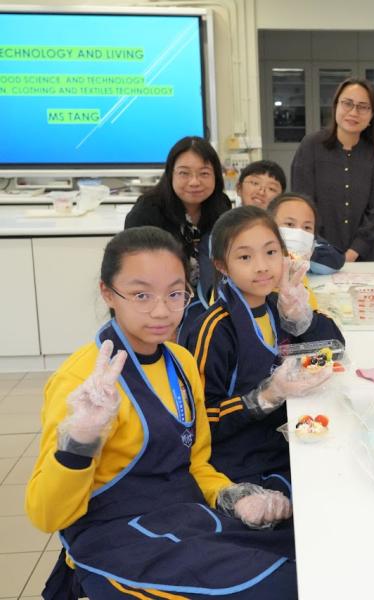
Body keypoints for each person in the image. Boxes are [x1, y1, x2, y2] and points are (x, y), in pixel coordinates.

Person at [26, 226, 297, 599]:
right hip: (118, 541)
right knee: (281, 587)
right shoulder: (81, 382)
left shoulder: (180, 362)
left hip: (185, 518)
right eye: (141, 295)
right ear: (108, 293)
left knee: (308, 554)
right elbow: (46, 516)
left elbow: (196, 463)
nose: (161, 311)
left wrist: (234, 496)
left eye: (174, 294)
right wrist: (80, 441)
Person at [180, 206, 343, 490]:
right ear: (222, 266)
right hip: (243, 463)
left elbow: (334, 350)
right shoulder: (215, 329)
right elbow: (200, 422)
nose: (262, 266)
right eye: (245, 257)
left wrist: (302, 319)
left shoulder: (277, 305)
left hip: (287, 440)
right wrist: (265, 396)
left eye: (270, 252)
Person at [291, 78, 374, 262]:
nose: (354, 112)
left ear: (372, 115)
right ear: (335, 105)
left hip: (363, 257)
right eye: (347, 103)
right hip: (317, 255)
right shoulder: (311, 146)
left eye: (363, 107)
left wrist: (353, 252)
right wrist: (326, 251)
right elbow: (301, 203)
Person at [125, 136, 231, 303]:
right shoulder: (147, 211)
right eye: (184, 173)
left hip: (208, 299)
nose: (194, 182)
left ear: (216, 176)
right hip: (160, 299)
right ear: (170, 174)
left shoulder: (221, 205)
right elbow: (134, 268)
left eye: (204, 173)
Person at [267, 192, 346, 274]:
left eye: (307, 227)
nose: (299, 234)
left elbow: (336, 261)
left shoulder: (312, 251)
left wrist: (311, 253)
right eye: (290, 224)